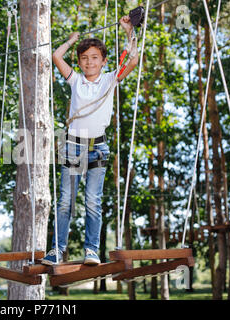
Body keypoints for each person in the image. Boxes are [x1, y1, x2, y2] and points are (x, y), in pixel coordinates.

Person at [41, 15, 139, 266]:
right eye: (84, 58)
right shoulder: (75, 80)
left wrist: (129, 31)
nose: (89, 62)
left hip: (98, 148)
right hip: (73, 145)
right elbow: (56, 57)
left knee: (93, 202)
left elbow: (134, 59)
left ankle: (92, 251)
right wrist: (71, 41)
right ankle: (57, 250)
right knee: (66, 201)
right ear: (80, 62)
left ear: (104, 61)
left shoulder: (110, 79)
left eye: (95, 57)